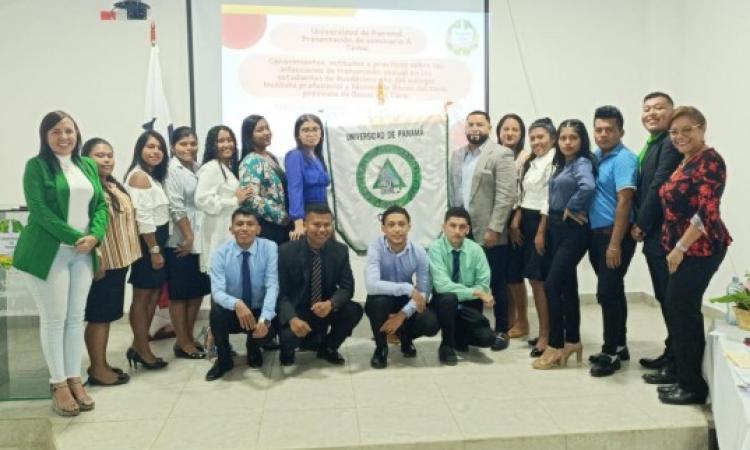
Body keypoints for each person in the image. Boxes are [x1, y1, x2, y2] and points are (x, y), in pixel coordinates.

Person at [13, 111, 107, 416]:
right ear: (45, 136)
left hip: (81, 253)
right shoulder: (36, 166)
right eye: (56, 131)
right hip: (48, 252)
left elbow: (101, 205)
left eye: (69, 130)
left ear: (77, 133)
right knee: (54, 319)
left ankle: (75, 377)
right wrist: (75, 236)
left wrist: (94, 236)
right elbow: (39, 210)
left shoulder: (87, 165)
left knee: (75, 318)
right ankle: (59, 384)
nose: (64, 137)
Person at [657, 106, 731, 405]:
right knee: (678, 310)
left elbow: (706, 212)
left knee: (683, 311)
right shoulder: (687, 160)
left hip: (700, 249)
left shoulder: (710, 161)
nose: (680, 136)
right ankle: (683, 374)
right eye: (674, 132)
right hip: (681, 248)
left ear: (702, 128)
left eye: (687, 129)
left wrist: (679, 249)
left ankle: (693, 387)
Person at [449, 110, 516, 351]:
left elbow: (506, 195)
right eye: (470, 124)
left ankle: (502, 330)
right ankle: (474, 330)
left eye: (480, 124)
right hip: (463, 233)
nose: (474, 128)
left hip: (490, 234)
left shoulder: (501, 154)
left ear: (489, 127)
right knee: (470, 283)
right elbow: (454, 192)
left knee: (496, 282)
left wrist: (495, 227)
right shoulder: (457, 156)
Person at [532, 119, 595, 370]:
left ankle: (556, 345)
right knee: (568, 286)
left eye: (573, 138)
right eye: (563, 137)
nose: (567, 142)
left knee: (552, 284)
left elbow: (588, 186)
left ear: (582, 141)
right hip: (557, 227)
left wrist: (573, 205)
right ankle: (573, 341)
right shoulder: (562, 164)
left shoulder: (582, 163)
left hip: (573, 230)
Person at [630, 92, 682, 383]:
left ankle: (677, 363)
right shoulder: (653, 145)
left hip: (664, 235)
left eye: (659, 108)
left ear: (672, 112)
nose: (652, 113)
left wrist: (640, 223)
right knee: (665, 297)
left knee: (671, 299)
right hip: (656, 236)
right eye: (647, 108)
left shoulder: (670, 145)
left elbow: (658, 187)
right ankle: (671, 352)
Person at [81, 138, 140, 386]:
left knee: (107, 315)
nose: (107, 159)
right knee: (99, 317)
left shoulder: (111, 184)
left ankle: (101, 363)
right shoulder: (89, 189)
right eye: (100, 155)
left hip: (120, 261)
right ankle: (97, 369)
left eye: (110, 155)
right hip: (103, 264)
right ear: (86, 159)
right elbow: (87, 228)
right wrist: (97, 258)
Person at [586, 106, 638, 377]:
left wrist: (615, 244)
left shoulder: (624, 159)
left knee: (606, 292)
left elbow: (625, 201)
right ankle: (620, 345)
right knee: (614, 290)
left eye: (609, 130)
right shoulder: (596, 157)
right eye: (598, 129)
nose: (603, 134)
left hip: (614, 237)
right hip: (596, 237)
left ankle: (610, 352)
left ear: (621, 132)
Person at [277, 204, 363, 366]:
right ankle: (288, 350)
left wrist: (331, 303)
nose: (322, 230)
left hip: (325, 308)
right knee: (288, 338)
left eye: (327, 225)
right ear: (304, 225)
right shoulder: (286, 251)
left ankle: (328, 348)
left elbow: (347, 288)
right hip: (298, 309)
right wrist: (292, 318)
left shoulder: (340, 251)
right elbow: (281, 293)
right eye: (316, 224)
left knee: (354, 310)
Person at [205, 207, 278, 381]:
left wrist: (265, 319)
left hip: (259, 309)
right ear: (231, 229)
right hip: (234, 312)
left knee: (271, 322)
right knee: (216, 313)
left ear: (258, 229)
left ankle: (254, 348)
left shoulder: (269, 248)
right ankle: (223, 360)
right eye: (239, 224)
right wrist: (237, 304)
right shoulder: (220, 254)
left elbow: (272, 285)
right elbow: (217, 292)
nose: (244, 228)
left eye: (250, 224)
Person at [364, 206, 440, 369]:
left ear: (409, 226)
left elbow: (423, 292)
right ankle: (381, 348)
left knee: (431, 322)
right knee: (378, 303)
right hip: (382, 297)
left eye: (401, 224)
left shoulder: (419, 252)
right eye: (391, 225)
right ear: (383, 228)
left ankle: (406, 338)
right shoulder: (375, 248)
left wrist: (402, 315)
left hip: (406, 301)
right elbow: (371, 285)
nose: (397, 229)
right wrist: (406, 288)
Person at [508, 118, 556, 357]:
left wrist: (540, 230)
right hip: (526, 220)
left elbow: (549, 196)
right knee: (533, 279)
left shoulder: (554, 162)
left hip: (542, 222)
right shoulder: (532, 161)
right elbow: (523, 192)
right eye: (533, 138)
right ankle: (544, 331)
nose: (537, 142)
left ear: (552, 138)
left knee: (539, 281)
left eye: (541, 137)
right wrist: (517, 217)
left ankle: (547, 336)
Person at [124, 130, 171, 370]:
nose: (155, 151)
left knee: (151, 296)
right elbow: (142, 217)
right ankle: (142, 349)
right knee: (142, 298)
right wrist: (154, 250)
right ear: (139, 149)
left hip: (156, 240)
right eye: (150, 146)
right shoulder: (139, 177)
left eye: (159, 147)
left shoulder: (151, 176)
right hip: (148, 242)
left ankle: (139, 344)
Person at [164, 127, 211, 359]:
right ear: (173, 146)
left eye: (193, 143)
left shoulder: (197, 166)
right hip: (181, 240)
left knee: (196, 292)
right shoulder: (172, 170)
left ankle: (189, 337)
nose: (189, 148)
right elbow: (176, 206)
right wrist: (188, 236)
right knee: (180, 294)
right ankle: (182, 342)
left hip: (200, 239)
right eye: (183, 144)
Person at [428, 207, 496, 365]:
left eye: (462, 227)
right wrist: (476, 292)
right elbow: (442, 286)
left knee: (488, 338)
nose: (457, 231)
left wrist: (478, 293)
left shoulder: (476, 250)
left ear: (468, 230)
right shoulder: (435, 248)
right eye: (452, 226)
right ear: (444, 227)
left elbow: (483, 285)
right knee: (448, 298)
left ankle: (459, 337)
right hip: (443, 302)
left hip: (469, 305)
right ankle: (446, 345)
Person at [195, 125, 252, 272]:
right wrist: (235, 200)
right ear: (212, 145)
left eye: (230, 140)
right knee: (221, 287)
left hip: (229, 234)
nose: (227, 144)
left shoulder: (226, 167)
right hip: (218, 235)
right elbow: (202, 200)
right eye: (221, 141)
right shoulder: (211, 168)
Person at [496, 113, 531, 338]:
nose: (509, 133)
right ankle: (508, 317)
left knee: (515, 274)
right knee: (503, 274)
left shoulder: (526, 158)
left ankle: (523, 321)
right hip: (499, 221)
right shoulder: (495, 155)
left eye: (515, 130)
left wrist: (516, 218)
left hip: (518, 222)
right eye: (505, 129)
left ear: (521, 134)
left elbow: (524, 193)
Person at [239, 114, 290, 246]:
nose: (266, 132)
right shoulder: (250, 160)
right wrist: (280, 216)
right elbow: (250, 198)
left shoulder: (270, 156)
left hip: (281, 225)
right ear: (249, 136)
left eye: (267, 128)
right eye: (260, 130)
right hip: (267, 226)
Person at [284, 114, 330, 240]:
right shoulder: (295, 155)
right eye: (305, 130)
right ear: (297, 135)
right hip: (307, 215)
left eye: (315, 129)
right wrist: (298, 224)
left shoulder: (317, 156)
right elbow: (295, 189)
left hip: (324, 212)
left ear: (321, 133)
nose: (311, 133)